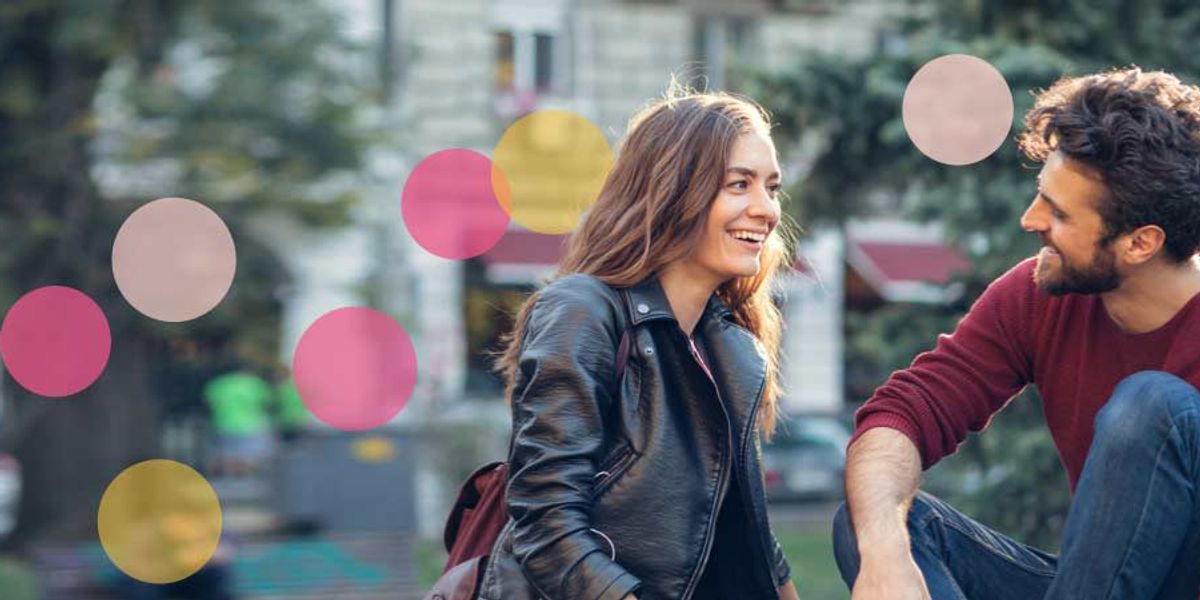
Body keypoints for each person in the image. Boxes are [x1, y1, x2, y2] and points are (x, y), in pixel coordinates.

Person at [832, 67, 1200, 599]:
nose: (1030, 220)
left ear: (1140, 243)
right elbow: (905, 412)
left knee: (1153, 406)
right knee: (881, 524)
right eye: (1039, 194)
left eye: (1058, 212)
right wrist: (885, 553)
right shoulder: (1038, 297)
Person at [476, 85, 803, 600]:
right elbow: (546, 525)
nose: (766, 210)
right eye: (739, 185)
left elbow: (754, 538)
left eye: (772, 187)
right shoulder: (583, 311)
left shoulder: (735, 349)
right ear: (674, 190)